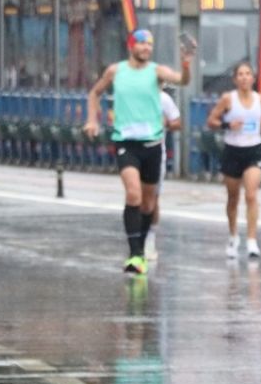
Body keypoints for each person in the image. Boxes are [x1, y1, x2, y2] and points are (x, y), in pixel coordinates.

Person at [83, 29, 193, 275]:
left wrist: (186, 63)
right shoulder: (116, 71)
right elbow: (94, 93)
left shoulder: (157, 72)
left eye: (150, 45)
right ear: (131, 46)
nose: (146, 48)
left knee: (148, 203)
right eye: (142, 44)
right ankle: (134, 255)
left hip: (152, 145)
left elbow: (183, 81)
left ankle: (141, 249)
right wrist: (93, 120)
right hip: (126, 143)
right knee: (133, 194)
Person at [206, 62, 261, 259]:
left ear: (253, 78)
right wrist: (228, 124)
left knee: (251, 195)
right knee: (233, 197)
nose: (244, 78)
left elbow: (259, 120)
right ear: (235, 79)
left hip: (254, 150)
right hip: (233, 150)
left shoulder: (259, 99)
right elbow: (211, 121)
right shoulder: (228, 99)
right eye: (240, 75)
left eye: (248, 74)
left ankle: (252, 240)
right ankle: (233, 235)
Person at [144, 87, 183, 261]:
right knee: (135, 196)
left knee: (152, 198)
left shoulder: (164, 98)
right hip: (133, 151)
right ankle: (137, 238)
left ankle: (150, 237)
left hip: (156, 152)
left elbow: (177, 123)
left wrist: (165, 123)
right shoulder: (133, 96)